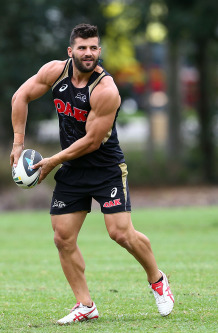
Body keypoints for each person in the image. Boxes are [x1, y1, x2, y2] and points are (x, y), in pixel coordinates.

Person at [10, 23, 174, 325]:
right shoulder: (54, 72)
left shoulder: (106, 90)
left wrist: (51, 161)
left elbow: (91, 141)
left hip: (105, 168)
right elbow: (20, 97)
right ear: (70, 51)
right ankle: (85, 305)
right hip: (73, 169)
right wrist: (18, 143)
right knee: (63, 237)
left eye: (94, 48)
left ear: (99, 51)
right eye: (83, 48)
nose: (89, 53)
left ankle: (157, 279)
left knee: (120, 233)